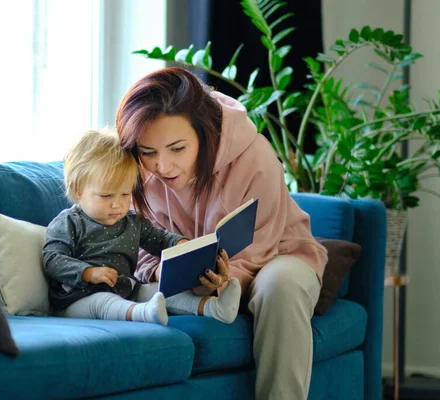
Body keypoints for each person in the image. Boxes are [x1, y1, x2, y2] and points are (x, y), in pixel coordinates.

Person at [116, 67, 328, 399]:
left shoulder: (256, 156)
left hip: (278, 254)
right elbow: (139, 248)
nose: (163, 167)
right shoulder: (138, 173)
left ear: (203, 133)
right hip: (204, 278)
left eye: (177, 149)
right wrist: (161, 271)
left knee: (280, 286)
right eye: (148, 152)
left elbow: (260, 246)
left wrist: (223, 281)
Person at [42, 127, 241, 326]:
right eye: (106, 196)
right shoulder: (69, 222)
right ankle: (144, 314)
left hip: (127, 290)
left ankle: (215, 308)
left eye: (124, 194)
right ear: (77, 191)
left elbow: (160, 238)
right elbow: (52, 259)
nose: (117, 204)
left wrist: (181, 244)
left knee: (161, 292)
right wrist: (88, 272)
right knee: (103, 302)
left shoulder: (132, 221)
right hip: (78, 301)